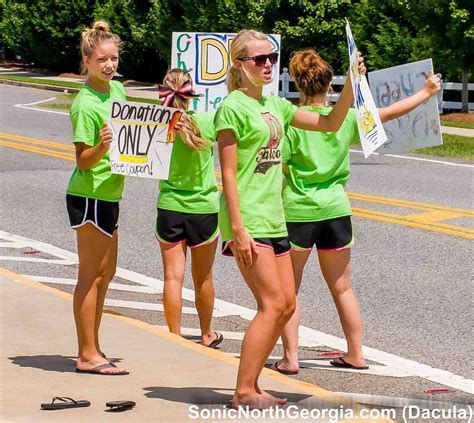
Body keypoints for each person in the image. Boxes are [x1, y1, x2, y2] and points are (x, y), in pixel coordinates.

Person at [215, 30, 365, 409]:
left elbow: (330, 123)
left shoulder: (276, 106)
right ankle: (243, 391)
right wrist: (238, 230)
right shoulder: (231, 108)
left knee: (285, 305)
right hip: (248, 219)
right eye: (258, 59)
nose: (267, 64)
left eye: (271, 57)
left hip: (275, 218)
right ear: (239, 64)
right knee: (272, 305)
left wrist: (350, 84)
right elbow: (229, 174)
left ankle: (253, 385)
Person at [270, 49, 442, 374]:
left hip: (297, 213)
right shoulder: (345, 119)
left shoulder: (292, 122)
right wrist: (426, 91)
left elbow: (276, 164)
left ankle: (290, 358)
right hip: (336, 212)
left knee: (288, 290)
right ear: (328, 85)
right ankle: (355, 353)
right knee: (342, 287)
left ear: (296, 82)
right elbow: (389, 113)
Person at [65, 21, 128, 375]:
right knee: (90, 274)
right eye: (102, 59)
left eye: (114, 59)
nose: (110, 65)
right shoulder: (85, 103)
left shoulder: (117, 92)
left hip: (110, 193)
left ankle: (95, 346)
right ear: (87, 60)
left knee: (107, 273)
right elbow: (83, 160)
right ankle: (86, 353)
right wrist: (103, 145)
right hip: (89, 195)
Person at [156, 68, 223, 348]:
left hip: (170, 206)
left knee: (173, 276)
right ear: (191, 91)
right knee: (203, 277)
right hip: (204, 208)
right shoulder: (207, 121)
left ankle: (174, 336)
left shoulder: (157, 124)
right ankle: (206, 333)